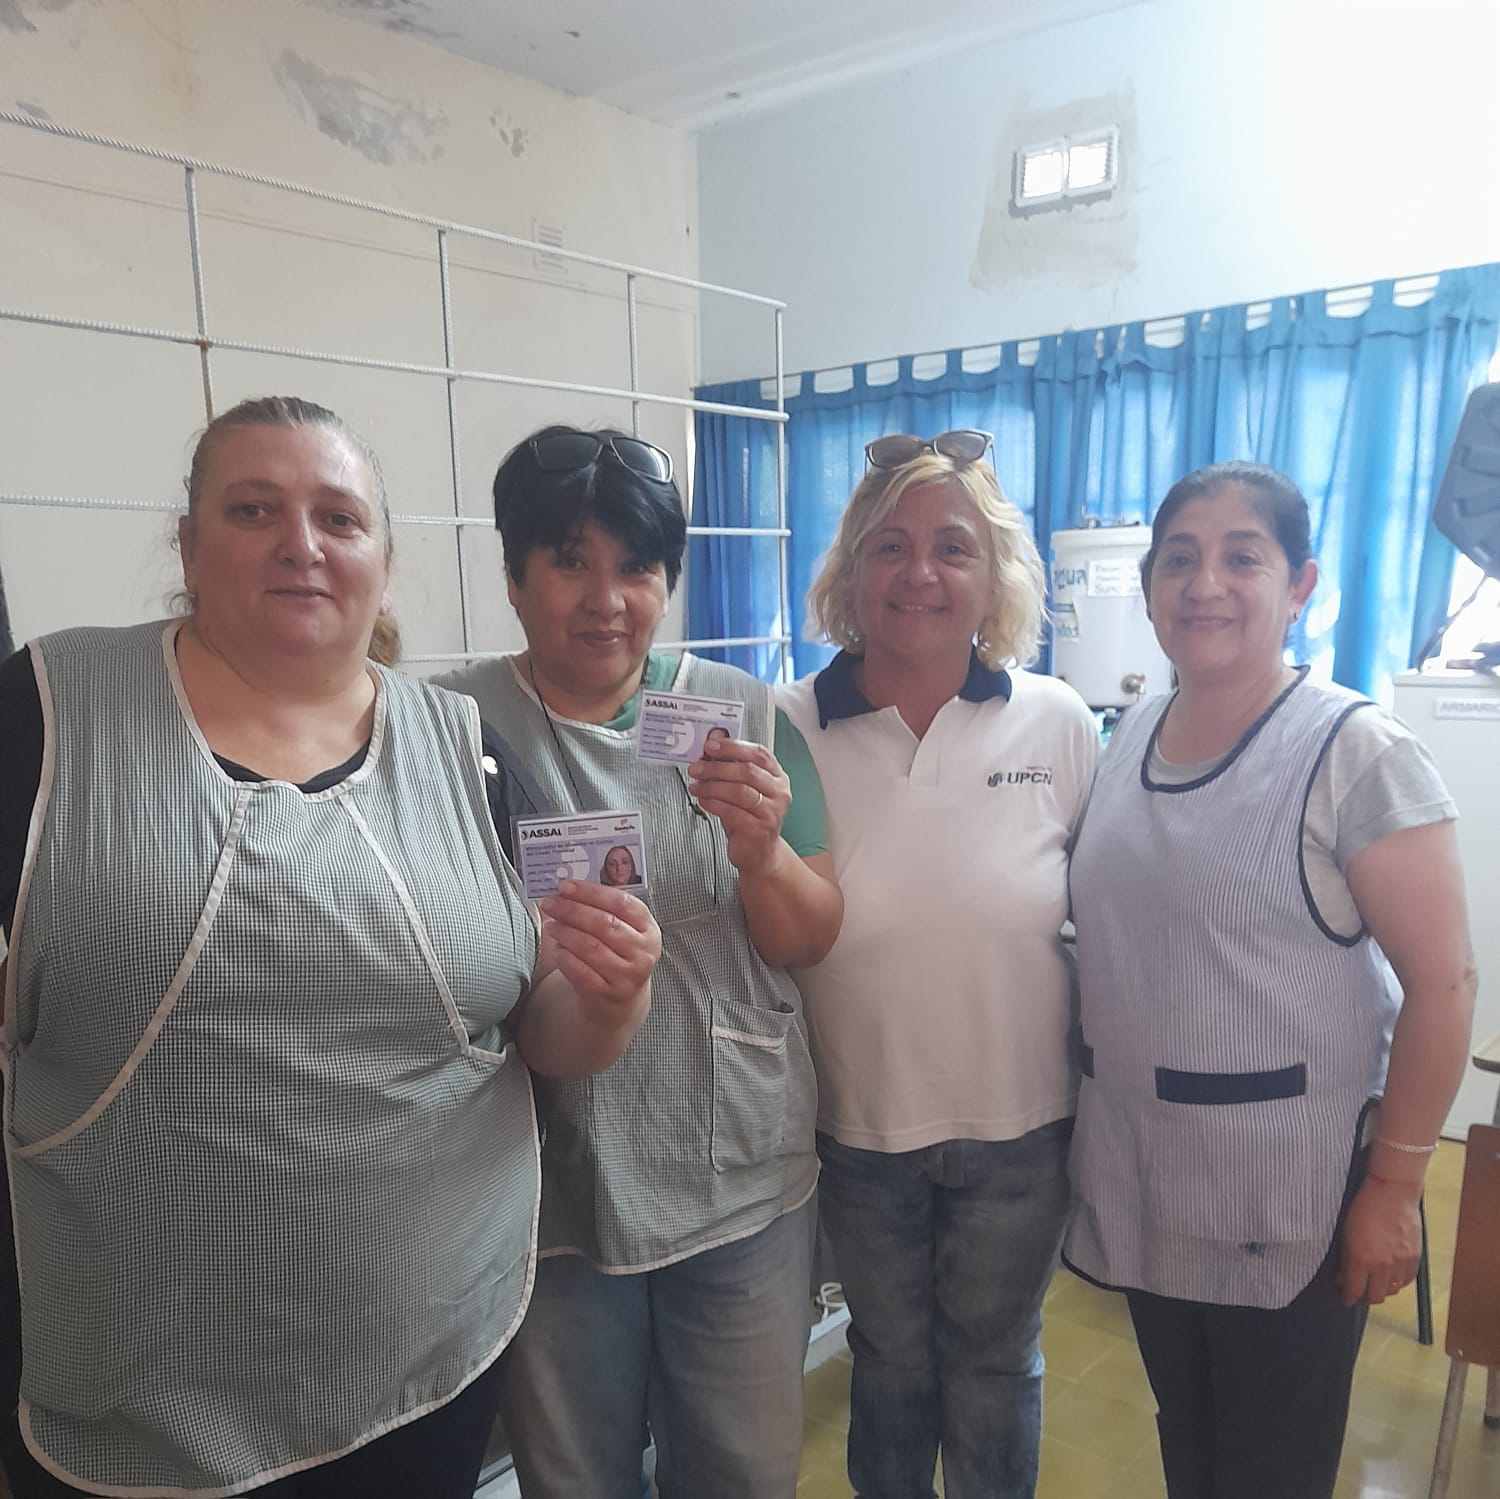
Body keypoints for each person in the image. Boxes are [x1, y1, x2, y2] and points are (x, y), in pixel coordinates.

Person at [0, 397, 660, 1499]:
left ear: (384, 567)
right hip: (136, 1394)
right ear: (188, 546)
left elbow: (546, 1032)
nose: (300, 543)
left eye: (339, 518)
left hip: (429, 1370)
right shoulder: (46, 717)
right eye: (254, 509)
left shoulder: (469, 754)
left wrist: (610, 995)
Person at [434, 424, 843, 1499]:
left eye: (637, 567)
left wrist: (762, 851)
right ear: (515, 574)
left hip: (737, 1169)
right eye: (570, 561)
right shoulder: (450, 729)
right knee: (575, 1477)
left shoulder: (741, 714)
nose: (606, 598)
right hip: (553, 1187)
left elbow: (810, 937)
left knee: (742, 1471)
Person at [1065, 461, 1478, 1499]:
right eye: (1179, 560)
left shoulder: (1354, 750)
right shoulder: (1129, 738)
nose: (1204, 583)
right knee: (1191, 1443)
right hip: (1148, 1180)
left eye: (1241, 557)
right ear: (1150, 589)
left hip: (1288, 1196)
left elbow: (1445, 984)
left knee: (1269, 1471)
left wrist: (1395, 1189)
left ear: (1300, 586)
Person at [777, 429, 1100, 1499]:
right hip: (860, 1127)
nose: (920, 572)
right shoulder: (785, 724)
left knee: (996, 1367)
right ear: (851, 569)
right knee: (890, 1367)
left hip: (1023, 1129)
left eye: (953, 547)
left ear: (993, 573)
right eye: (891, 546)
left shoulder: (1058, 722)